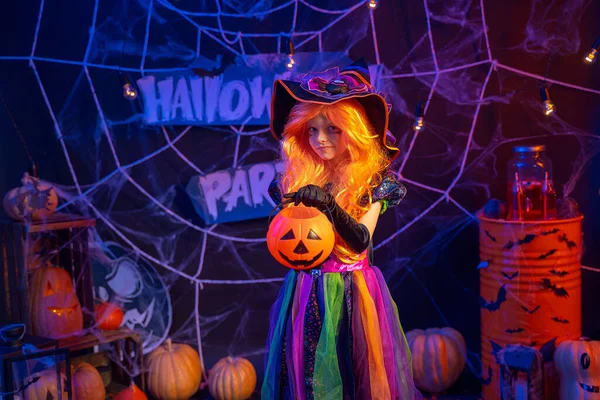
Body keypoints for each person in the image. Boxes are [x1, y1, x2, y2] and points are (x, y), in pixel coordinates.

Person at [262, 60, 421, 400]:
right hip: (306, 291)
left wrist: (329, 206)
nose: (321, 139)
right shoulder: (298, 178)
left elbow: (361, 239)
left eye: (333, 129)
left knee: (353, 373)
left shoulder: (374, 183)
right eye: (313, 130)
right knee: (307, 374)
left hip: (353, 292)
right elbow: (288, 241)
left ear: (355, 132)